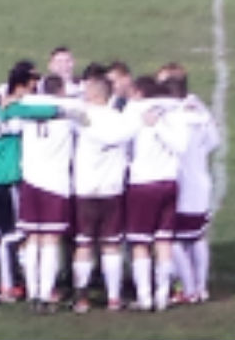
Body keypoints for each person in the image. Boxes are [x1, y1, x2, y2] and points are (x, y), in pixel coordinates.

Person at [0, 66, 84, 305]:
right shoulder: (16, 112)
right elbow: (28, 111)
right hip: (9, 179)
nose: (35, 86)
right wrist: (62, 109)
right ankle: (14, 287)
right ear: (25, 82)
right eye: (33, 81)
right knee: (16, 235)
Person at [71, 76, 145, 313]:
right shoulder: (121, 120)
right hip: (112, 189)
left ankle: (82, 298)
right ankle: (114, 298)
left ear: (95, 96)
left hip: (85, 190)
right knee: (111, 245)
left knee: (84, 245)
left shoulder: (83, 117)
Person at [124, 76, 190, 311]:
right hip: (169, 183)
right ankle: (162, 295)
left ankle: (145, 297)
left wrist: (155, 126)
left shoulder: (134, 111)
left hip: (142, 184)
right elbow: (182, 147)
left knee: (139, 242)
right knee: (164, 240)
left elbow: (124, 145)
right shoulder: (177, 112)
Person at [14, 74, 80, 313]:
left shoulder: (27, 111)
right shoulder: (69, 112)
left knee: (32, 239)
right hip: (56, 185)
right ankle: (44, 295)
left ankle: (33, 294)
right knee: (51, 240)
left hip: (31, 182)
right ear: (61, 91)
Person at [159, 69, 221, 304]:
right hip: (202, 183)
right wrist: (199, 153)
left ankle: (189, 288)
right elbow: (214, 141)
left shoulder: (172, 117)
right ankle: (202, 287)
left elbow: (177, 146)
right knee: (197, 237)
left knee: (172, 239)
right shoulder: (201, 113)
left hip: (181, 185)